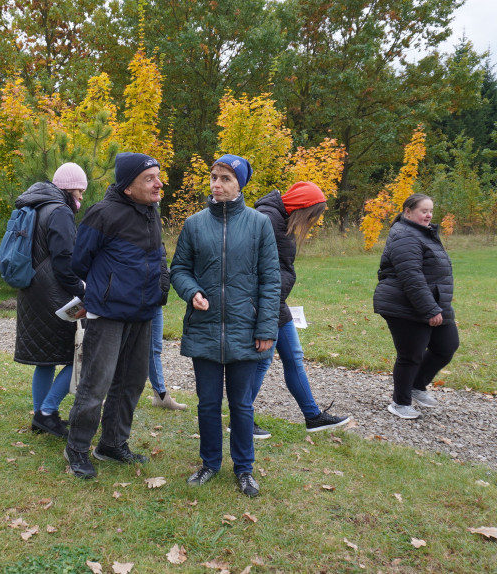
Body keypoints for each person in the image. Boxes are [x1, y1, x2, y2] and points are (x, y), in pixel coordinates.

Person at [170, 154, 280, 498]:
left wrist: (266, 328)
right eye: (214, 177)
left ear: (240, 184)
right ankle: (210, 463)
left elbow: (271, 280)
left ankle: (244, 469)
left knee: (242, 405)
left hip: (245, 329)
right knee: (207, 403)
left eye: (225, 178)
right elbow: (179, 269)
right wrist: (192, 291)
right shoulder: (194, 224)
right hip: (204, 327)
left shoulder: (259, 224)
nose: (216, 184)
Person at [63, 152, 170, 479]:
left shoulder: (151, 212)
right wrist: (105, 289)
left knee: (131, 382)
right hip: (108, 313)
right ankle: (77, 448)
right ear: (127, 187)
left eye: (158, 176)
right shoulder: (103, 213)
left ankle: (111, 444)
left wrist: (161, 288)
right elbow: (79, 262)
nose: (158, 183)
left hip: (144, 313)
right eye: (149, 178)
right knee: (96, 383)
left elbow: (159, 256)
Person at [253, 182, 351, 435]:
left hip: (277, 302)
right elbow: (256, 270)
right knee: (261, 363)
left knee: (294, 357)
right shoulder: (268, 219)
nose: (312, 222)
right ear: (302, 208)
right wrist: (264, 309)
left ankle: (313, 416)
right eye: (312, 215)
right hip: (266, 303)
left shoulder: (279, 218)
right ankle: (241, 419)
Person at [13, 163, 88, 438]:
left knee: (45, 359)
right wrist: (82, 290)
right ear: (69, 189)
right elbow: (64, 262)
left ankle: (40, 417)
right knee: (80, 355)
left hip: (32, 291)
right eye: (80, 192)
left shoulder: (35, 206)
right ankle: (47, 411)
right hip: (54, 295)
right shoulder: (60, 211)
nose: (81, 198)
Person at [373, 193, 459, 420]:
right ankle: (400, 403)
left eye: (431, 211)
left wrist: (435, 305)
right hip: (403, 304)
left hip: (431, 301)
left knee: (446, 346)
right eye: (424, 211)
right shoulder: (405, 235)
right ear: (408, 212)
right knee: (411, 355)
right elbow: (411, 277)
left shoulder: (423, 233)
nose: (429, 215)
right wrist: (429, 309)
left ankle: (416, 386)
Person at [147, 305, 187, 411]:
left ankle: (161, 395)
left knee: (154, 349)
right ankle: (114, 395)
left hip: (154, 302)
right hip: (134, 303)